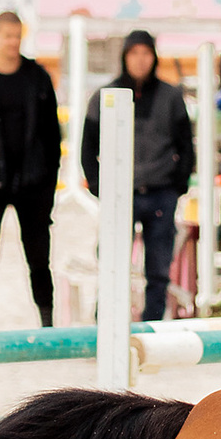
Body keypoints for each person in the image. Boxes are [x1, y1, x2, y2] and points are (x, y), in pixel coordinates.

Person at [83, 30, 195, 323]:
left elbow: (185, 144)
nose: (140, 60)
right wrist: (99, 186)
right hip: (120, 194)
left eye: (146, 53)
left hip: (160, 191)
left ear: (154, 57)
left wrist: (177, 185)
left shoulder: (171, 97)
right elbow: (88, 146)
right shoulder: (104, 97)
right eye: (134, 53)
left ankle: (151, 329)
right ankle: (106, 326)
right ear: (124, 57)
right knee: (112, 264)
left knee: (158, 269)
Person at [0, 10, 61, 327]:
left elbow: (52, 136)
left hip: (33, 184)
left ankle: (47, 322)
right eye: (7, 36)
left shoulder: (37, 77)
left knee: (39, 257)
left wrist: (48, 182)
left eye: (17, 36)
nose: (12, 42)